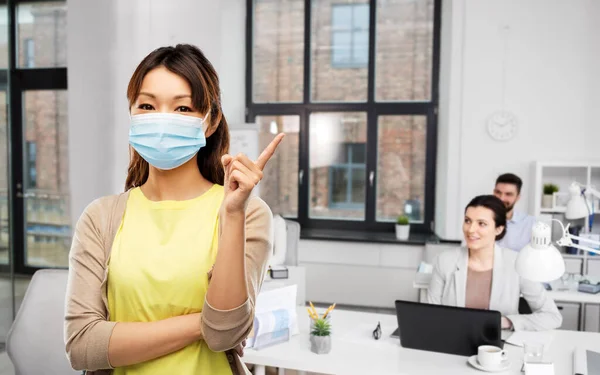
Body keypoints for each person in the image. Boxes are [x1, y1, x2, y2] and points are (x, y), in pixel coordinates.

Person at [64, 44, 284, 375]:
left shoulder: (247, 214)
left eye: (182, 108)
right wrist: (203, 324)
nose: (162, 119)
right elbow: (83, 346)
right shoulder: (101, 217)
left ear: (210, 123)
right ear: (132, 115)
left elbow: (225, 334)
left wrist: (233, 214)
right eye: (147, 105)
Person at [427, 195, 562, 331]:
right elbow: (430, 315)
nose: (471, 229)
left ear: (498, 229)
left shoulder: (517, 262)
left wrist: (507, 322)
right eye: (468, 221)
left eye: (482, 224)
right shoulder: (444, 261)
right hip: (453, 343)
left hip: (499, 348)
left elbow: (552, 316)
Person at [493, 173, 537, 251]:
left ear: (517, 197)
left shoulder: (531, 224)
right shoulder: (478, 219)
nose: (501, 198)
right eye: (498, 192)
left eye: (508, 194)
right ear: (493, 192)